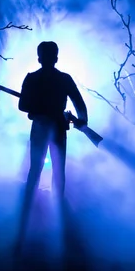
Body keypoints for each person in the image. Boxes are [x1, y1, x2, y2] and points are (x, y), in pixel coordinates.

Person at [14, 41, 88, 252]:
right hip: (52, 128)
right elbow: (79, 103)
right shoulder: (62, 79)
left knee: (38, 171)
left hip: (45, 128)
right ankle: (51, 212)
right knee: (53, 172)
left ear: (40, 57)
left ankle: (32, 214)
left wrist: (81, 119)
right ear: (55, 57)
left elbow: (23, 105)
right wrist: (82, 119)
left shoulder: (33, 78)